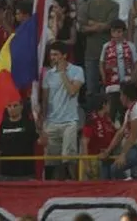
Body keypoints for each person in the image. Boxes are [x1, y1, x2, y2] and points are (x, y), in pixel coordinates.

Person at [41, 41, 85, 180]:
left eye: (56, 54)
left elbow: (72, 91)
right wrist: (43, 123)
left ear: (64, 55)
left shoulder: (77, 70)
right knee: (51, 160)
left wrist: (62, 73)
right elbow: (45, 100)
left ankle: (74, 184)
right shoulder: (48, 75)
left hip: (69, 121)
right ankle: (53, 186)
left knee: (68, 158)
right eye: (51, 55)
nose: (52, 58)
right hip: (51, 121)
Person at [106, 81, 137, 179]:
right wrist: (108, 151)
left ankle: (125, 185)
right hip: (136, 146)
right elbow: (120, 133)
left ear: (125, 96)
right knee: (114, 168)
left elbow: (133, 135)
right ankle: (127, 182)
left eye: (121, 95)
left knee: (115, 168)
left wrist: (123, 154)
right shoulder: (130, 111)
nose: (120, 98)